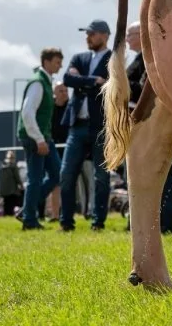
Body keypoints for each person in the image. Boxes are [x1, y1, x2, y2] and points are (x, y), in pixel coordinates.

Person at [60, 19, 114, 232]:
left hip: (100, 126)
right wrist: (93, 81)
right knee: (66, 174)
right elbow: (67, 79)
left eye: (91, 33)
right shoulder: (78, 57)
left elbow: (110, 84)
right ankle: (66, 222)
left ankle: (98, 222)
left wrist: (81, 80)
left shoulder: (114, 58)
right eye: (87, 34)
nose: (87, 37)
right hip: (77, 126)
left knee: (101, 176)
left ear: (104, 35)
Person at [18, 47, 64, 230]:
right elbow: (27, 113)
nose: (59, 67)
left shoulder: (45, 82)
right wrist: (39, 139)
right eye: (57, 62)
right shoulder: (37, 83)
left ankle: (27, 210)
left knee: (57, 174)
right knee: (35, 178)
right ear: (46, 61)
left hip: (44, 136)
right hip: (35, 137)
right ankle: (29, 219)